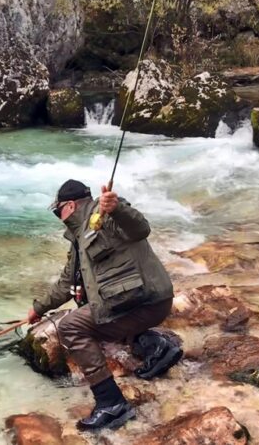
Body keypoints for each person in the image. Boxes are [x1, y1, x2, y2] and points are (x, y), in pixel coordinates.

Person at [28, 179, 179, 431]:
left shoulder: (106, 214)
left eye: (58, 211)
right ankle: (156, 347)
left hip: (147, 302)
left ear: (70, 206)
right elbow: (66, 282)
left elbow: (140, 228)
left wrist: (116, 208)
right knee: (92, 306)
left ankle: (111, 404)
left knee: (71, 327)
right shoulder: (78, 239)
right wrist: (38, 309)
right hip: (141, 303)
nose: (59, 217)